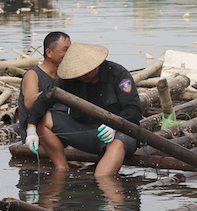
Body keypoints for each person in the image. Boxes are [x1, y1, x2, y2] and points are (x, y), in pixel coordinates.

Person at [24, 43, 141, 176]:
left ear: (95, 66)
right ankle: (62, 170)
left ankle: (104, 184)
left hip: (119, 133)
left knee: (117, 143)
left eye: (83, 73)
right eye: (77, 74)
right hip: (86, 131)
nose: (80, 77)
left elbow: (133, 109)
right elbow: (43, 100)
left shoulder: (118, 75)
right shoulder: (70, 79)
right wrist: (31, 128)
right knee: (43, 119)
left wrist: (115, 125)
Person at [16, 31, 71, 130]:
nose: (69, 54)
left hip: (64, 128)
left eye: (70, 50)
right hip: (39, 131)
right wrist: (55, 92)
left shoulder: (67, 75)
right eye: (65, 50)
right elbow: (29, 104)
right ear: (49, 52)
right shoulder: (33, 74)